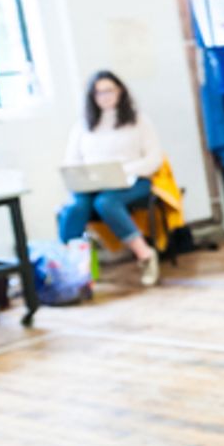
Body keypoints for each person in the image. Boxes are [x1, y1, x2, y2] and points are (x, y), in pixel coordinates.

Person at [58, 71, 162, 287]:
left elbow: (154, 159)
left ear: (120, 91)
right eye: (98, 93)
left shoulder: (138, 120)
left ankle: (145, 255)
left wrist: (124, 170)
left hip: (133, 181)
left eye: (108, 90)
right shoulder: (83, 125)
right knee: (76, 207)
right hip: (94, 184)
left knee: (106, 202)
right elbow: (72, 161)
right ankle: (69, 266)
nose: (103, 96)